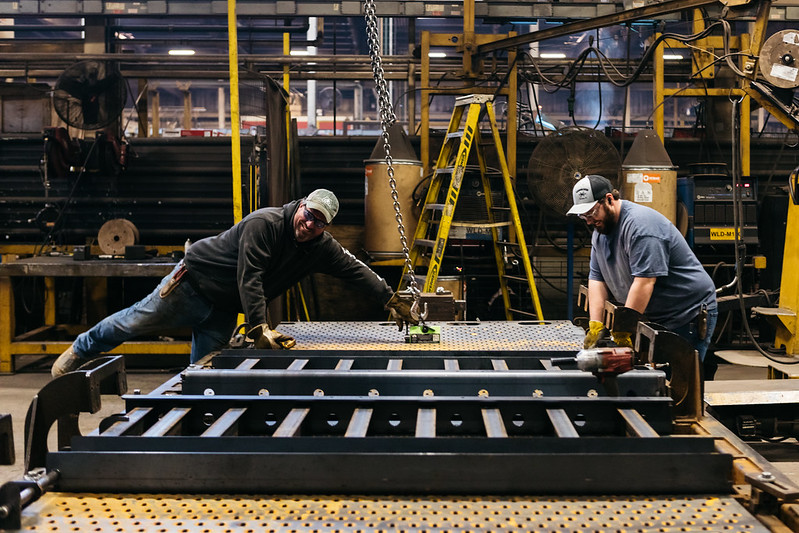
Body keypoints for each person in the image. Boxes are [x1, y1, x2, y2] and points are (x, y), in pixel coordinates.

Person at [52, 189, 418, 376]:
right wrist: (259, 325)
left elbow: (355, 269)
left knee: (203, 372)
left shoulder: (321, 247)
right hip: (191, 287)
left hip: (223, 310)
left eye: (319, 223)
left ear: (326, 227)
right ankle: (79, 351)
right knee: (130, 322)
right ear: (301, 207)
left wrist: (389, 298)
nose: (309, 225)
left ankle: (192, 427)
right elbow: (251, 276)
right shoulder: (265, 224)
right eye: (309, 216)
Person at [567, 174, 717, 362]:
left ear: (609, 199)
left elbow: (644, 282)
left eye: (592, 213)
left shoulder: (641, 227)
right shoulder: (600, 232)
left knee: (678, 383)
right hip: (652, 316)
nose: (589, 221)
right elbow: (597, 279)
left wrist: (623, 330)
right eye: (584, 216)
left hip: (686, 313)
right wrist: (596, 325)